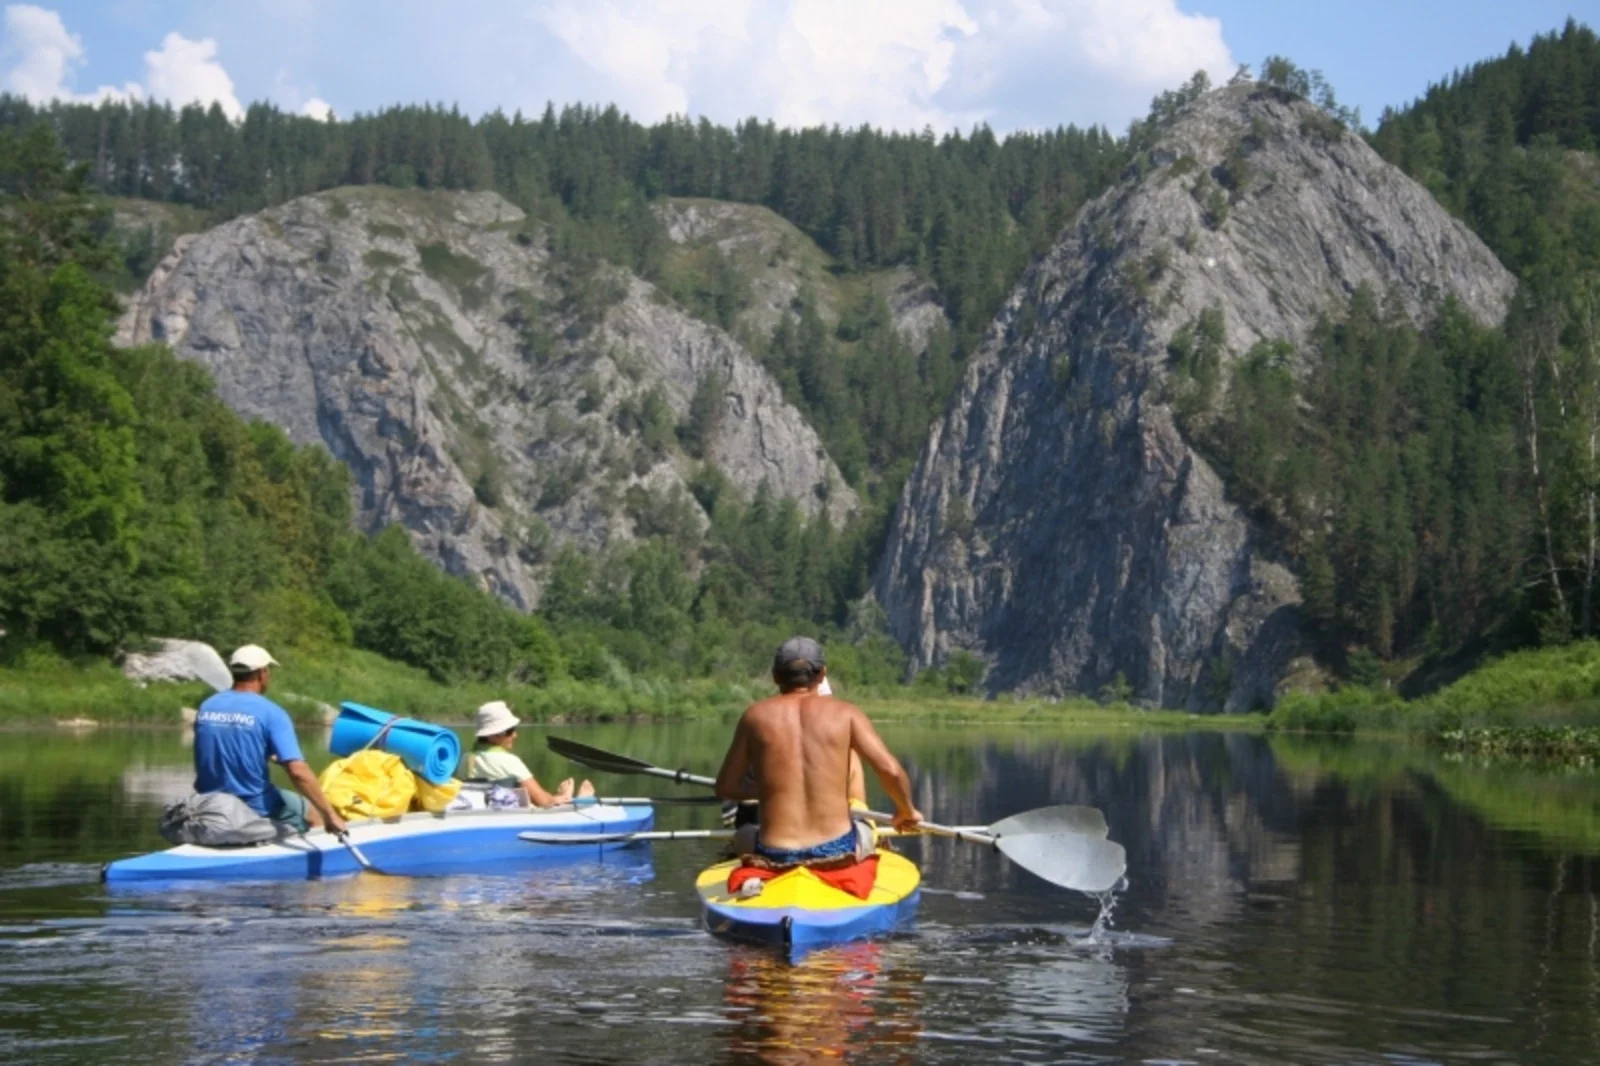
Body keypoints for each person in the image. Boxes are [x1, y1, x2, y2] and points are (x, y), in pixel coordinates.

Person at [715, 637, 922, 872]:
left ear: (775, 676)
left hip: (775, 854)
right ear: (823, 674)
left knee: (744, 833)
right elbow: (891, 771)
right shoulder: (846, 714)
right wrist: (907, 810)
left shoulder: (754, 717)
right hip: (837, 850)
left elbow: (725, 787)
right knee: (864, 821)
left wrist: (773, 790)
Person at [193, 644, 346, 835]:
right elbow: (298, 772)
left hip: (207, 802)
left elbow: (220, 748)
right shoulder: (272, 712)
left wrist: (265, 753)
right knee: (315, 815)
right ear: (262, 673)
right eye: (269, 671)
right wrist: (331, 815)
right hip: (255, 804)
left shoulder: (207, 706)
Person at [467, 701, 595, 807]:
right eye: (510, 731)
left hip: (490, 812)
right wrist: (561, 798)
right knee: (550, 801)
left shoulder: (466, 758)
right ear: (492, 736)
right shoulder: (509, 761)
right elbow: (543, 801)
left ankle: (564, 797)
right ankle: (571, 799)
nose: (515, 735)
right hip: (514, 816)